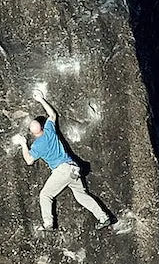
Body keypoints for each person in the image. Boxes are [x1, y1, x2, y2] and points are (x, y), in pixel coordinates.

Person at [16, 95, 110, 229]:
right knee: (81, 196)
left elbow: (29, 160)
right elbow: (52, 114)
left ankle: (48, 223)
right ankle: (103, 217)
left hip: (62, 170)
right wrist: (41, 99)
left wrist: (23, 144)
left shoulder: (37, 146)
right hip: (73, 168)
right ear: (42, 127)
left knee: (45, 195)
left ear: (32, 133)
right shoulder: (49, 131)